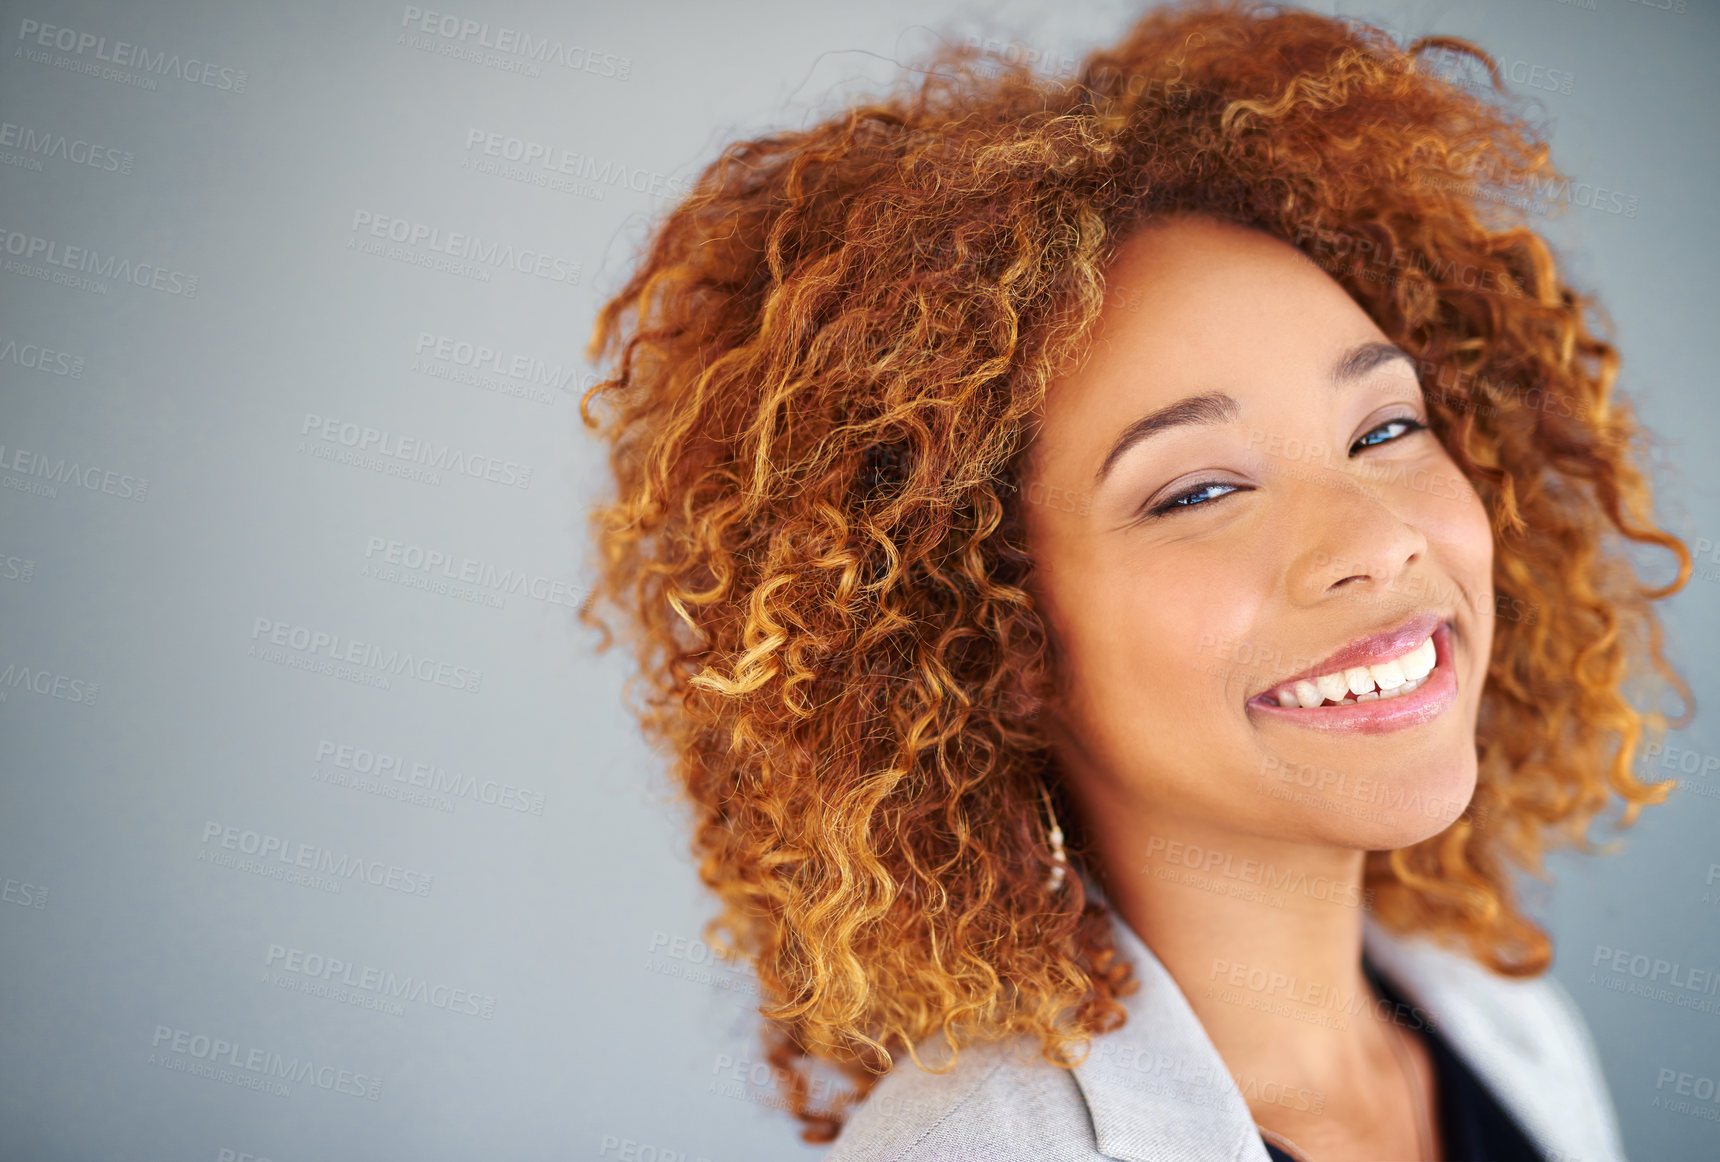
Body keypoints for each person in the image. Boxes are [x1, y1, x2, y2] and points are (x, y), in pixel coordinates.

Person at [575, 2, 1691, 1158]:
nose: (1373, 537)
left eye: (1385, 427)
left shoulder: (1513, 1029)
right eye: (1198, 493)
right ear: (992, 646)